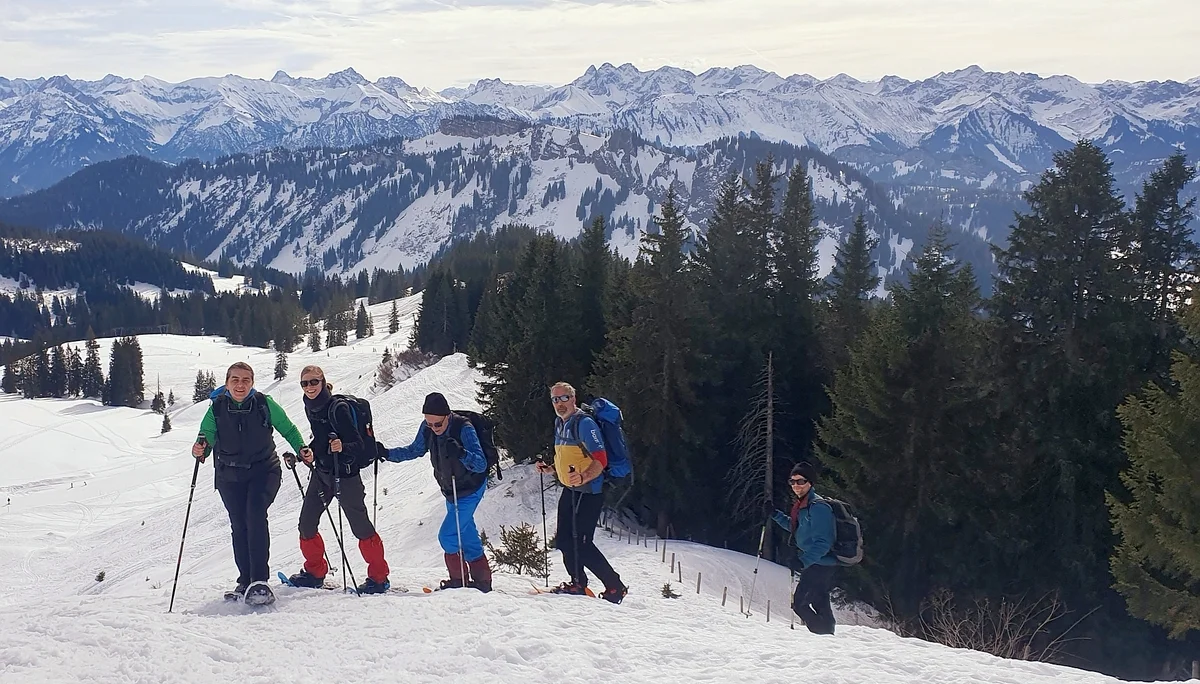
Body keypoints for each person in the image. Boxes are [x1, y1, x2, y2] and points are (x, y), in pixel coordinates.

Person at [193, 362, 308, 606]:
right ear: (227, 383)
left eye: (245, 380)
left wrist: (302, 448)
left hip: (264, 470)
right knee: (238, 523)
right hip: (229, 476)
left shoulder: (264, 404)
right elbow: (206, 436)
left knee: (255, 514)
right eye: (235, 379)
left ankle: (259, 580)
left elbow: (287, 428)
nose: (240, 384)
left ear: (253, 383)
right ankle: (245, 580)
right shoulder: (217, 408)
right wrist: (200, 448)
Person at [286, 366, 392, 594]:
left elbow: (359, 445)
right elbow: (321, 439)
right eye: (305, 383)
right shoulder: (310, 406)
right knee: (306, 523)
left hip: (346, 475)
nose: (309, 387)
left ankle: (379, 578)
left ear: (323, 382)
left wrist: (342, 446)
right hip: (323, 472)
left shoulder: (339, 408)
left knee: (361, 528)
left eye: (314, 382)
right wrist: (309, 451)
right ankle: (315, 573)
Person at [384, 392, 494, 592]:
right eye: (429, 424)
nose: (433, 429)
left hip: (471, 488)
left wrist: (461, 453)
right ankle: (482, 583)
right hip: (450, 490)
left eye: (438, 424)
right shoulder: (427, 428)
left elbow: (480, 463)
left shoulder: (464, 428)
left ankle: (458, 583)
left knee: (448, 535)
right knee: (467, 534)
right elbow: (414, 450)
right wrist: (386, 453)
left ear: (447, 416)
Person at [535, 381, 627, 604]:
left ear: (573, 398)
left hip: (589, 491)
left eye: (563, 398)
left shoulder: (585, 424)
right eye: (555, 399)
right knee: (565, 540)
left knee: (582, 543)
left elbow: (600, 459)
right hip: (571, 489)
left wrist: (584, 476)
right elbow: (569, 458)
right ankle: (577, 583)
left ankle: (615, 586)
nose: (559, 403)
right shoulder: (560, 423)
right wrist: (551, 469)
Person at [767, 461, 837, 635]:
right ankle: (828, 637)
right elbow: (795, 528)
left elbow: (823, 542)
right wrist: (775, 515)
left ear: (810, 483)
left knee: (800, 603)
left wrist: (802, 561)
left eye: (801, 481)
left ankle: (823, 636)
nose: (796, 486)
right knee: (819, 601)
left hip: (821, 563)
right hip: (816, 562)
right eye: (793, 481)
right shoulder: (803, 506)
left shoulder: (818, 507)